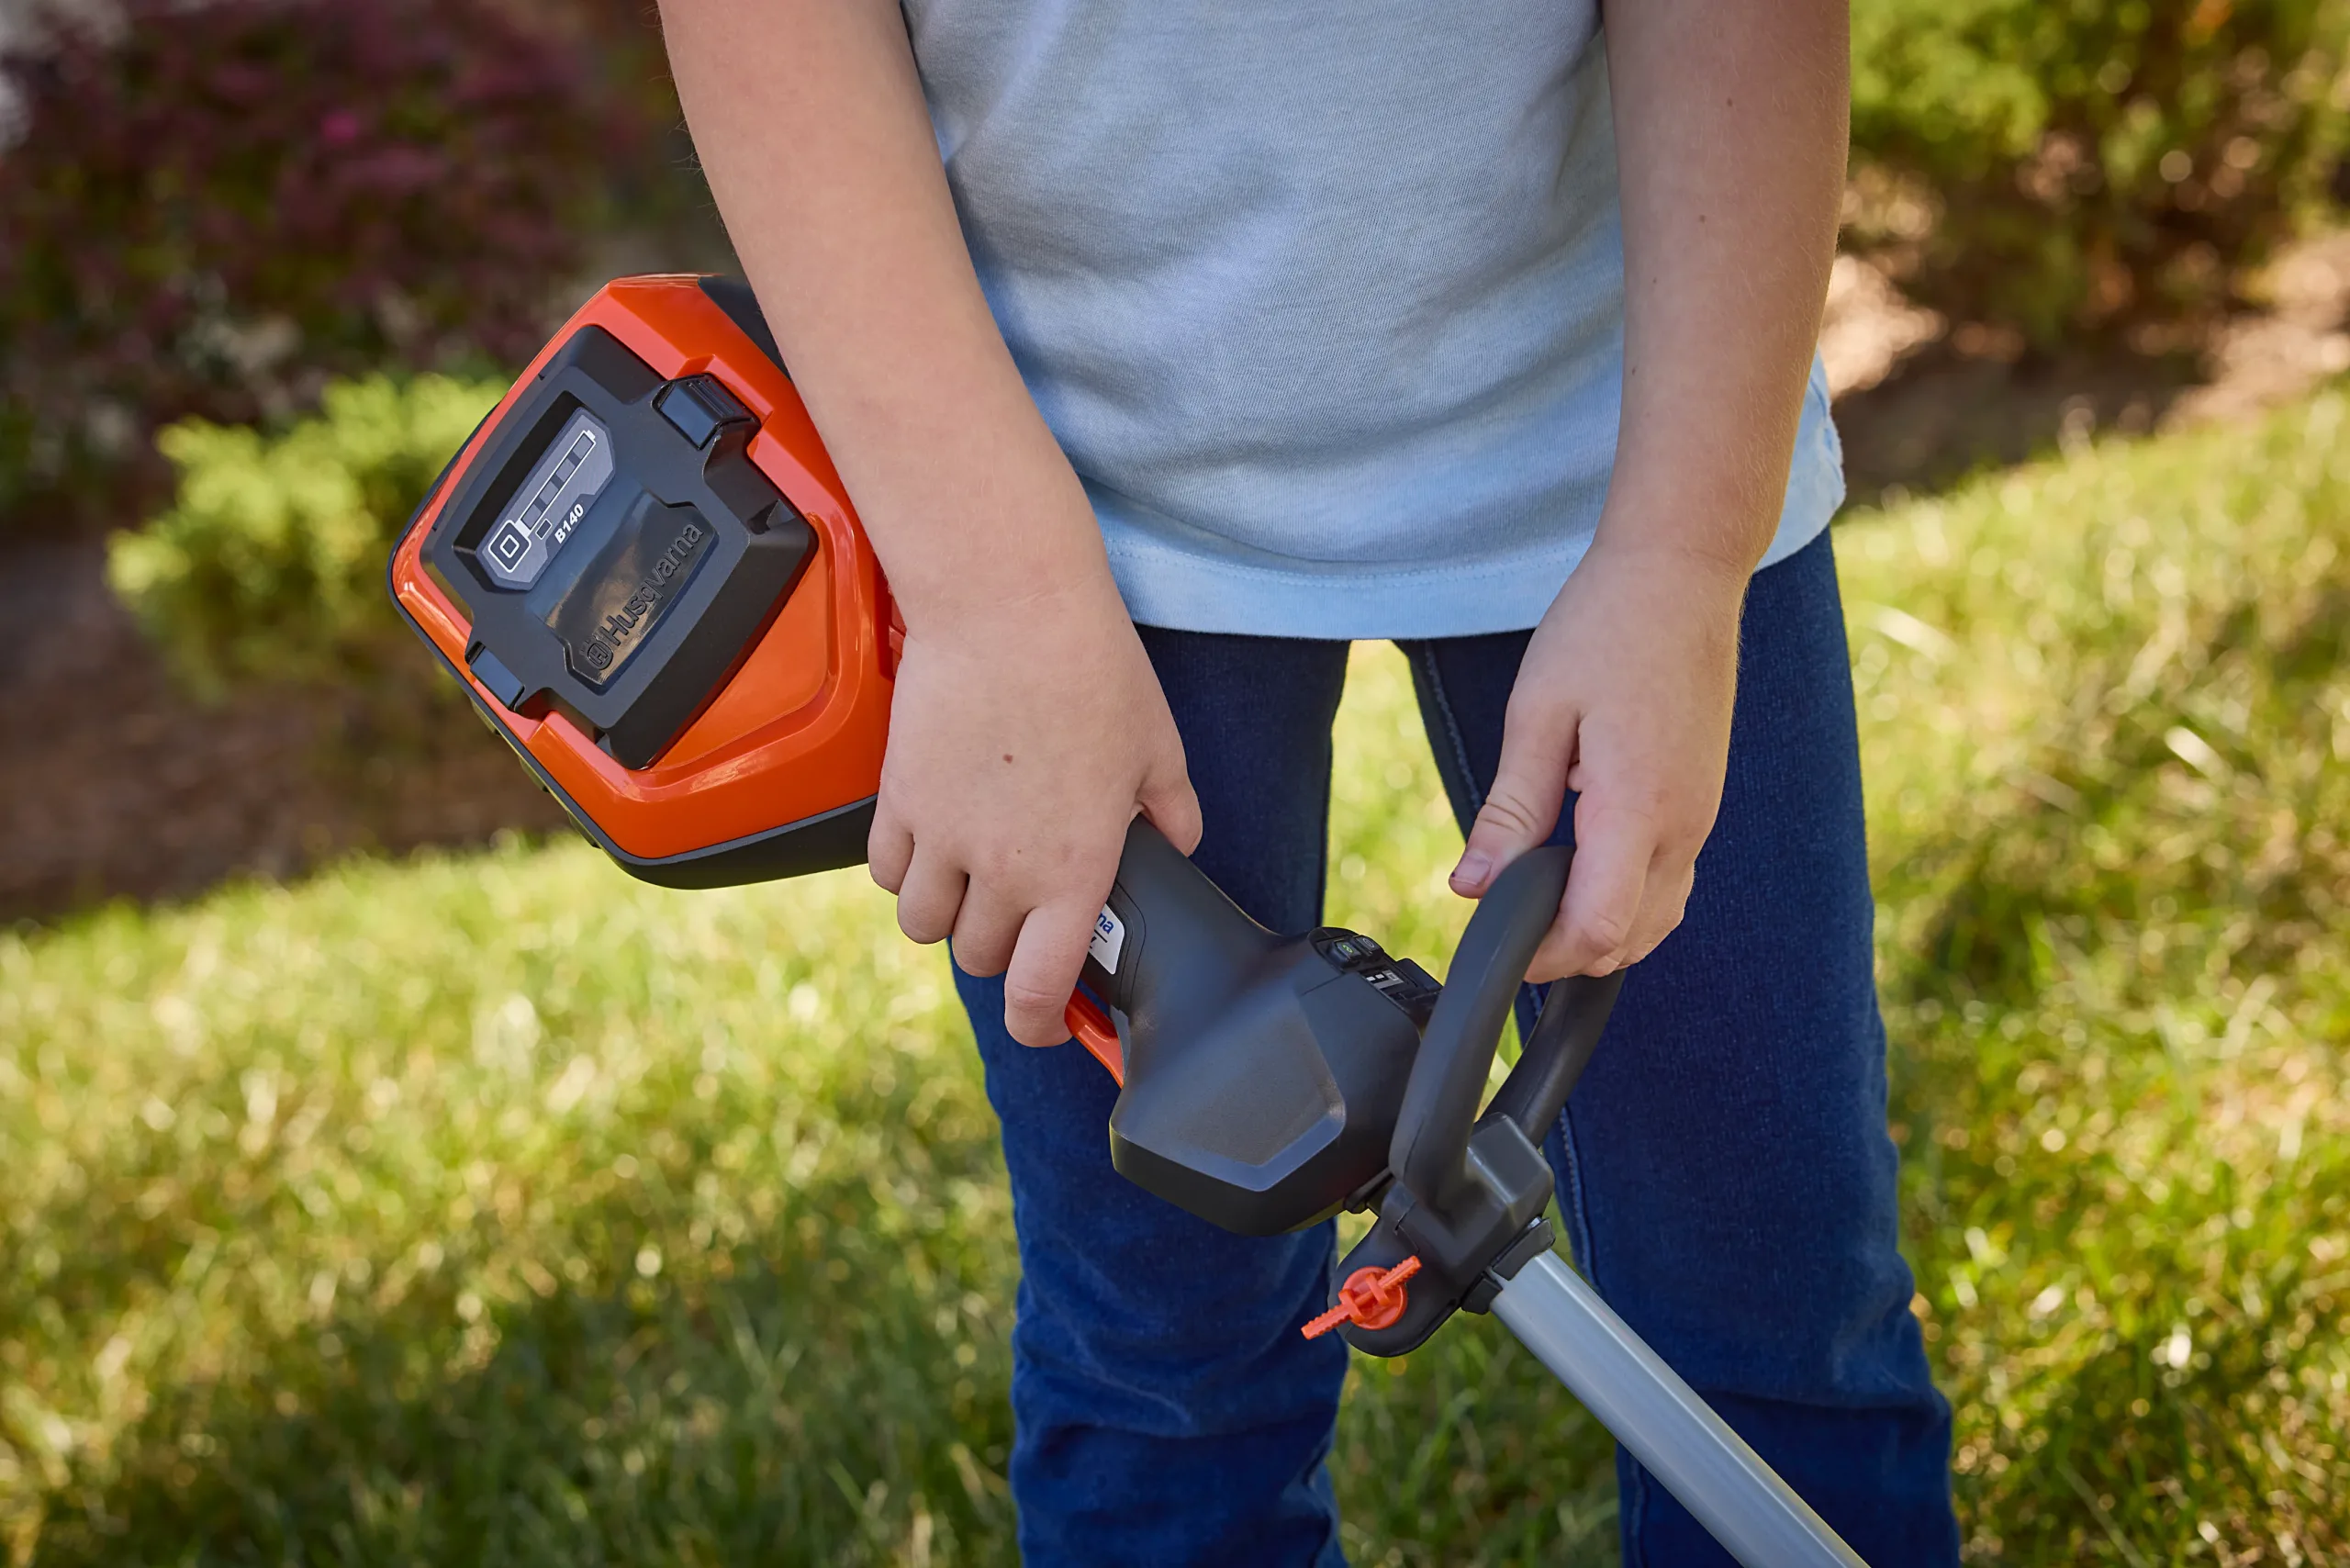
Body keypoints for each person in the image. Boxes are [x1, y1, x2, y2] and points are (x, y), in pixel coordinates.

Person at [656, 2, 1959, 1562]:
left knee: (1778, 1296)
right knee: (1165, 1369)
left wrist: (1684, 560)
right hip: (1056, 532)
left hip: (1635, 443)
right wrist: (994, 601)